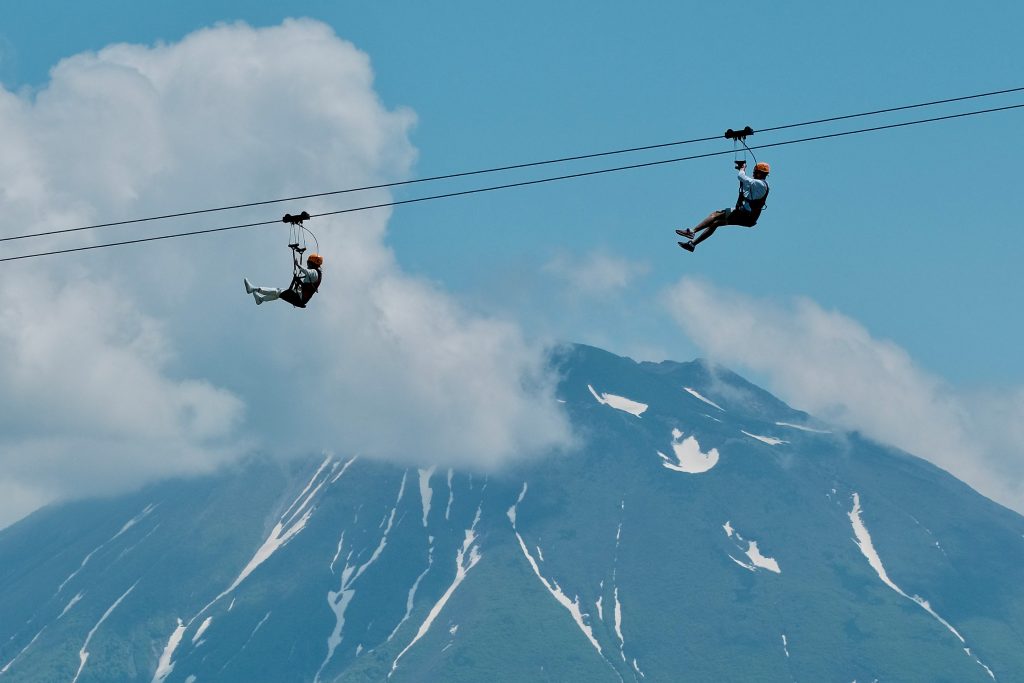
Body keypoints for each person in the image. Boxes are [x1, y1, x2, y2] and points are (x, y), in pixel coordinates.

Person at [677, 161, 771, 252]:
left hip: (747, 216)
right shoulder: (755, 183)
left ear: (759, 173)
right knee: (716, 219)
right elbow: (743, 189)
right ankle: (692, 242)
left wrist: (742, 168)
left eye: (755, 172)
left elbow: (741, 176)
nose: (753, 173)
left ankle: (692, 233)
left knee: (717, 218)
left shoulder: (760, 184)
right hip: (745, 214)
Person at [244, 251, 323, 307]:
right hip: (300, 298)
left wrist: (298, 265)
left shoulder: (314, 272)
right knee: (280, 294)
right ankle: (260, 299)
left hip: (299, 298)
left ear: (312, 263)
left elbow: (307, 272)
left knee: (279, 291)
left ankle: (254, 289)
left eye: (308, 263)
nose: (308, 264)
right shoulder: (317, 274)